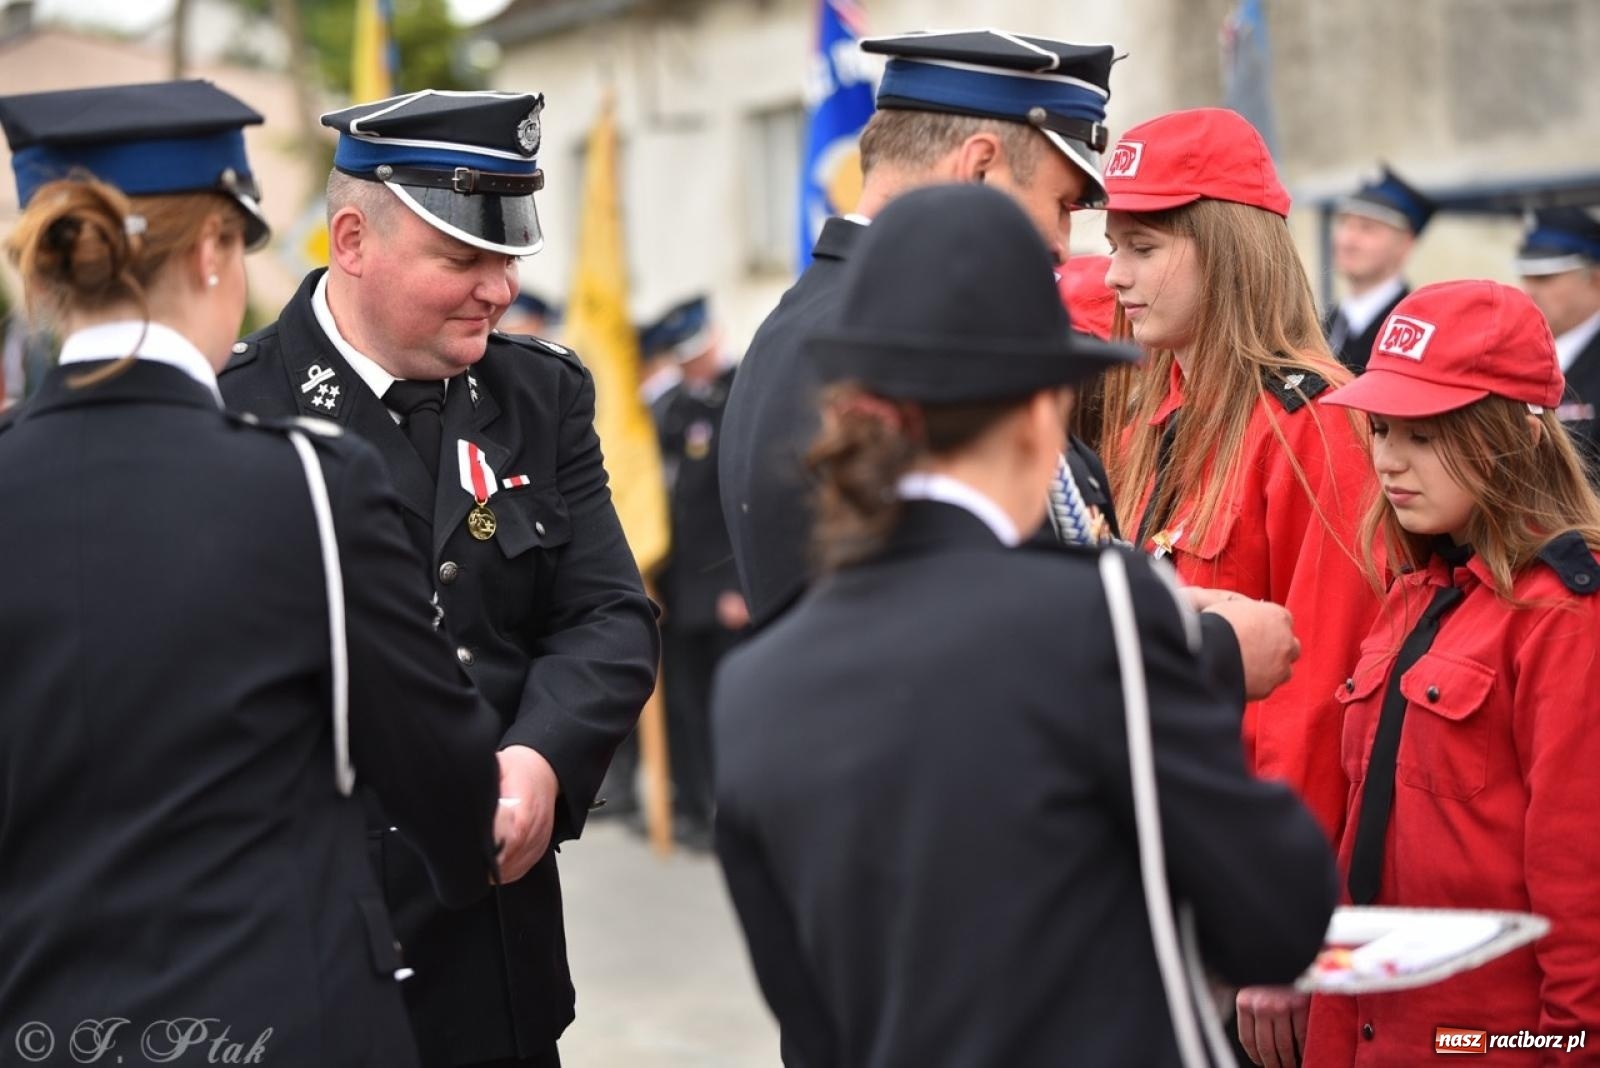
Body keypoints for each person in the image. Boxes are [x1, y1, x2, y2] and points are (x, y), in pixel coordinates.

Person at [713, 183, 1337, 1068]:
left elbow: (804, 992)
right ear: (1041, 416)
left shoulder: (754, 684)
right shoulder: (1100, 617)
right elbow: (1275, 915)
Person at [0, 80, 502, 1066]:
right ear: (213, 250)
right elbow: (443, 768)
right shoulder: (312, 486)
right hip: (285, 1018)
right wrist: (458, 861)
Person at [218, 89, 660, 1068]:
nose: (499, 289)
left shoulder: (539, 396)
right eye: (463, 259)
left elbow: (606, 617)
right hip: (307, 974)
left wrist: (540, 758)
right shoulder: (234, 410)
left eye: (507, 257)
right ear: (351, 239)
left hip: (493, 969)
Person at [719, 28, 1297, 706]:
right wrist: (1208, 653)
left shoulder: (836, 323)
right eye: (1060, 205)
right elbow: (949, 665)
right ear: (982, 168)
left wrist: (1149, 603)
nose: (1062, 246)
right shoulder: (878, 345)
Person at [1293, 280, 1600, 1068]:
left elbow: (1582, 896)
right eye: (1384, 428)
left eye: (1424, 436)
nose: (1389, 462)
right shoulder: (1414, 592)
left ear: (1514, 436)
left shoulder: (1565, 616)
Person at [1099, 107, 1381, 845]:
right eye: (1112, 246)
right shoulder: (1147, 423)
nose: (1113, 274)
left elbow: (1319, 693)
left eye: (1143, 247)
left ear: (1227, 251)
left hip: (1239, 844)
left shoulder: (1313, 425)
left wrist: (1277, 891)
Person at [641, 295, 746, 849]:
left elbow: (747, 497)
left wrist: (739, 583)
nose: (688, 368)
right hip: (680, 588)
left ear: (713, 339)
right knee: (685, 703)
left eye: (693, 354)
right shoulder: (673, 409)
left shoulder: (742, 395)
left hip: (726, 587)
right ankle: (696, 804)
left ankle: (734, 811)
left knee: (729, 707)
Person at [1323, 166, 1435, 374]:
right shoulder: (1324, 325)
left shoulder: (1415, 331)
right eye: (1345, 224)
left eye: (1367, 228)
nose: (1348, 240)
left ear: (1405, 243)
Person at [1516, 207, 1600, 462]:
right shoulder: (1519, 357)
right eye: (1526, 278)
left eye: (1545, 278)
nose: (1528, 292)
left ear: (1595, 279)